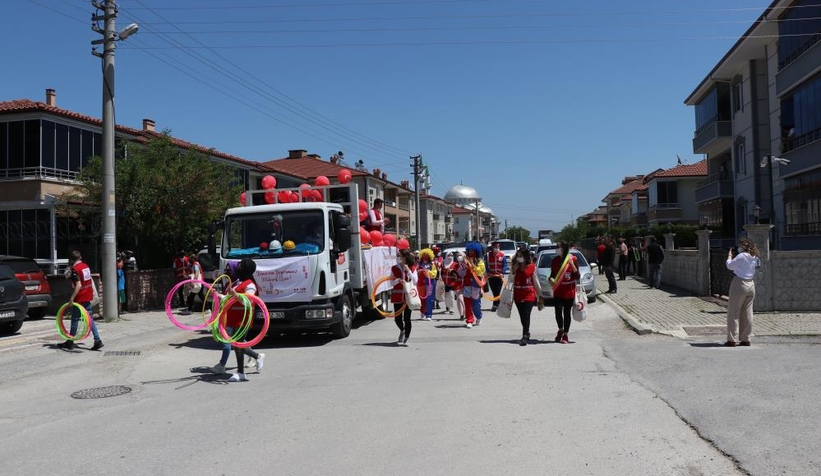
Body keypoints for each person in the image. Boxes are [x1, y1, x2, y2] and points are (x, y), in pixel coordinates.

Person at [210, 258, 265, 381]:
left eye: (240, 266)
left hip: (243, 318)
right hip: (233, 317)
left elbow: (249, 301)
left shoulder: (250, 284)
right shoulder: (237, 282)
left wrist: (235, 295)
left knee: (237, 344)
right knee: (237, 344)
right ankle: (257, 357)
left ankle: (241, 373)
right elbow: (228, 298)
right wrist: (218, 295)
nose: (237, 269)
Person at [57, 251, 103, 351]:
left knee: (75, 320)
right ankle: (97, 340)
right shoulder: (86, 266)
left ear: (71, 259)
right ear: (80, 257)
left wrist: (72, 298)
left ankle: (70, 342)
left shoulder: (75, 269)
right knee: (89, 319)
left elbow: (79, 285)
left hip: (80, 298)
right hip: (87, 295)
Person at [725, 238, 760, 347]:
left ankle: (732, 339)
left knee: (734, 311)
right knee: (748, 312)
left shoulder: (741, 256)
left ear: (743, 247)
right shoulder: (755, 257)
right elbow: (758, 268)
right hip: (751, 284)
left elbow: (730, 266)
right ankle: (746, 338)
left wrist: (729, 257)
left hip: (740, 283)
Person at [511, 246, 544, 346]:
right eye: (518, 256)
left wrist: (540, 295)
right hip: (518, 295)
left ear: (525, 256)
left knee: (526, 314)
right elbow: (510, 281)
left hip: (529, 294)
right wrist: (513, 271)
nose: (519, 258)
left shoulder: (532, 267)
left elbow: (536, 282)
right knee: (522, 316)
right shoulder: (514, 267)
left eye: (521, 256)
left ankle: (525, 335)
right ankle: (527, 332)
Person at [550, 241, 580, 344]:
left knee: (567, 313)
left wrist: (573, 265)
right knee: (558, 311)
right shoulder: (555, 260)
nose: (556, 249)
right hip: (558, 290)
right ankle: (560, 329)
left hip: (569, 291)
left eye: (558, 247)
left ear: (563, 248)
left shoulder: (573, 259)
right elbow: (552, 274)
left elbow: (577, 276)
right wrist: (550, 279)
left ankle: (566, 334)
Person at [391, 248, 418, 346]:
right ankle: (402, 330)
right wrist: (397, 280)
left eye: (400, 256)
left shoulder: (412, 267)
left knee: (407, 318)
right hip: (397, 296)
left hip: (408, 297)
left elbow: (415, 280)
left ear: (405, 257)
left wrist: (408, 270)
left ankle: (406, 337)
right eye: (398, 256)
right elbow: (391, 282)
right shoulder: (394, 268)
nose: (399, 258)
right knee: (397, 318)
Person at [458, 241, 486, 329]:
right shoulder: (465, 261)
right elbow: (461, 273)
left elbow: (480, 272)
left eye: (472, 251)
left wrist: (473, 265)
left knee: (476, 303)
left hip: (475, 284)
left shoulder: (480, 261)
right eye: (469, 251)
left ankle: (479, 316)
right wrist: (463, 267)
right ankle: (469, 320)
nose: (470, 253)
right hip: (467, 284)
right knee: (467, 302)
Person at [486, 241, 509, 312]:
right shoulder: (488, 255)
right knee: (494, 291)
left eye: (498, 247)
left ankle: (495, 305)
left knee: (497, 291)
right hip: (491, 276)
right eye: (495, 247)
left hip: (499, 276)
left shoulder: (502, 255)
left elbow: (505, 265)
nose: (497, 248)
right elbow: (486, 265)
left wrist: (502, 272)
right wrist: (488, 272)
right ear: (492, 247)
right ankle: (497, 304)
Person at [417, 248, 438, 320]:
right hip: (421, 283)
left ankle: (429, 315)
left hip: (430, 283)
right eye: (424, 255)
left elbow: (434, 274)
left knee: (429, 299)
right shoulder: (419, 264)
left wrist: (427, 272)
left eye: (426, 255)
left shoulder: (432, 264)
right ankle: (423, 311)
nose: (425, 257)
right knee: (422, 299)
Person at [445, 251, 466, 319]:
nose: (458, 257)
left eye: (460, 255)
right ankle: (462, 314)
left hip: (466, 285)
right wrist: (451, 271)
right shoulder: (455, 266)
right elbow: (454, 274)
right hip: (458, 285)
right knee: (459, 299)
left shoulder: (466, 264)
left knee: (466, 300)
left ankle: (466, 313)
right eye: (457, 256)